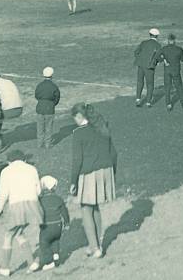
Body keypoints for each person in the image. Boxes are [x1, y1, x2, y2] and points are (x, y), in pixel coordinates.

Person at [69, 103, 117, 259]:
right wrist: (112, 173)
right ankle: (96, 244)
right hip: (106, 170)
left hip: (89, 172)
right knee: (94, 206)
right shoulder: (102, 128)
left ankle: (95, 248)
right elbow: (114, 153)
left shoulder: (78, 133)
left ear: (79, 116)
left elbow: (77, 160)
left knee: (85, 208)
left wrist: (73, 181)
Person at [0, 150, 43, 277]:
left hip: (16, 206)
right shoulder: (32, 169)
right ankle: (32, 262)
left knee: (8, 236)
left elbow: (3, 193)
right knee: (18, 233)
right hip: (33, 205)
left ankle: (5, 267)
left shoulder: (5, 171)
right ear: (24, 160)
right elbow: (38, 190)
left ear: (9, 161)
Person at [30, 176, 70, 272]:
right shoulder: (58, 199)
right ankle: (56, 256)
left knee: (44, 243)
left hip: (47, 226)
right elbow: (65, 212)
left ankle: (49, 262)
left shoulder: (41, 201)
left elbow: (38, 213)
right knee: (55, 240)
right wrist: (67, 223)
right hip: (58, 226)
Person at [156, 34, 183, 111]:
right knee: (179, 87)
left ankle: (168, 104)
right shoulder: (179, 49)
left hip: (167, 70)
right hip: (176, 70)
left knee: (167, 87)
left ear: (168, 40)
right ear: (174, 40)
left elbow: (157, 56)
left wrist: (163, 60)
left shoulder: (164, 49)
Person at [134, 29, 162, 108]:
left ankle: (138, 99)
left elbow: (136, 52)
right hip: (150, 67)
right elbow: (159, 57)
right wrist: (157, 62)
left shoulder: (143, 43)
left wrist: (140, 60)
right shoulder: (158, 45)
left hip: (140, 65)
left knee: (140, 82)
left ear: (150, 34)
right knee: (150, 84)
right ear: (157, 36)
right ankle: (148, 102)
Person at [35, 67, 60, 149]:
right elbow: (57, 98)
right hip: (50, 108)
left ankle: (39, 144)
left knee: (40, 127)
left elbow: (37, 96)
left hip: (40, 107)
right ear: (52, 75)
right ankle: (47, 144)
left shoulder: (39, 85)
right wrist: (52, 104)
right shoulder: (54, 86)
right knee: (48, 128)